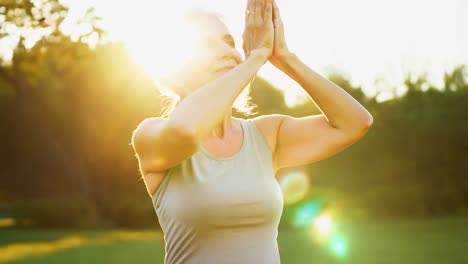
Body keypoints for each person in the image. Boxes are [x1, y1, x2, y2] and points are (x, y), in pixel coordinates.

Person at [131, 0, 373, 263]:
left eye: (229, 42)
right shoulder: (151, 135)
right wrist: (256, 57)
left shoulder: (266, 134)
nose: (227, 52)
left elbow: (355, 122)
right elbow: (186, 131)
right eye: (206, 45)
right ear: (174, 71)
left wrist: (285, 58)